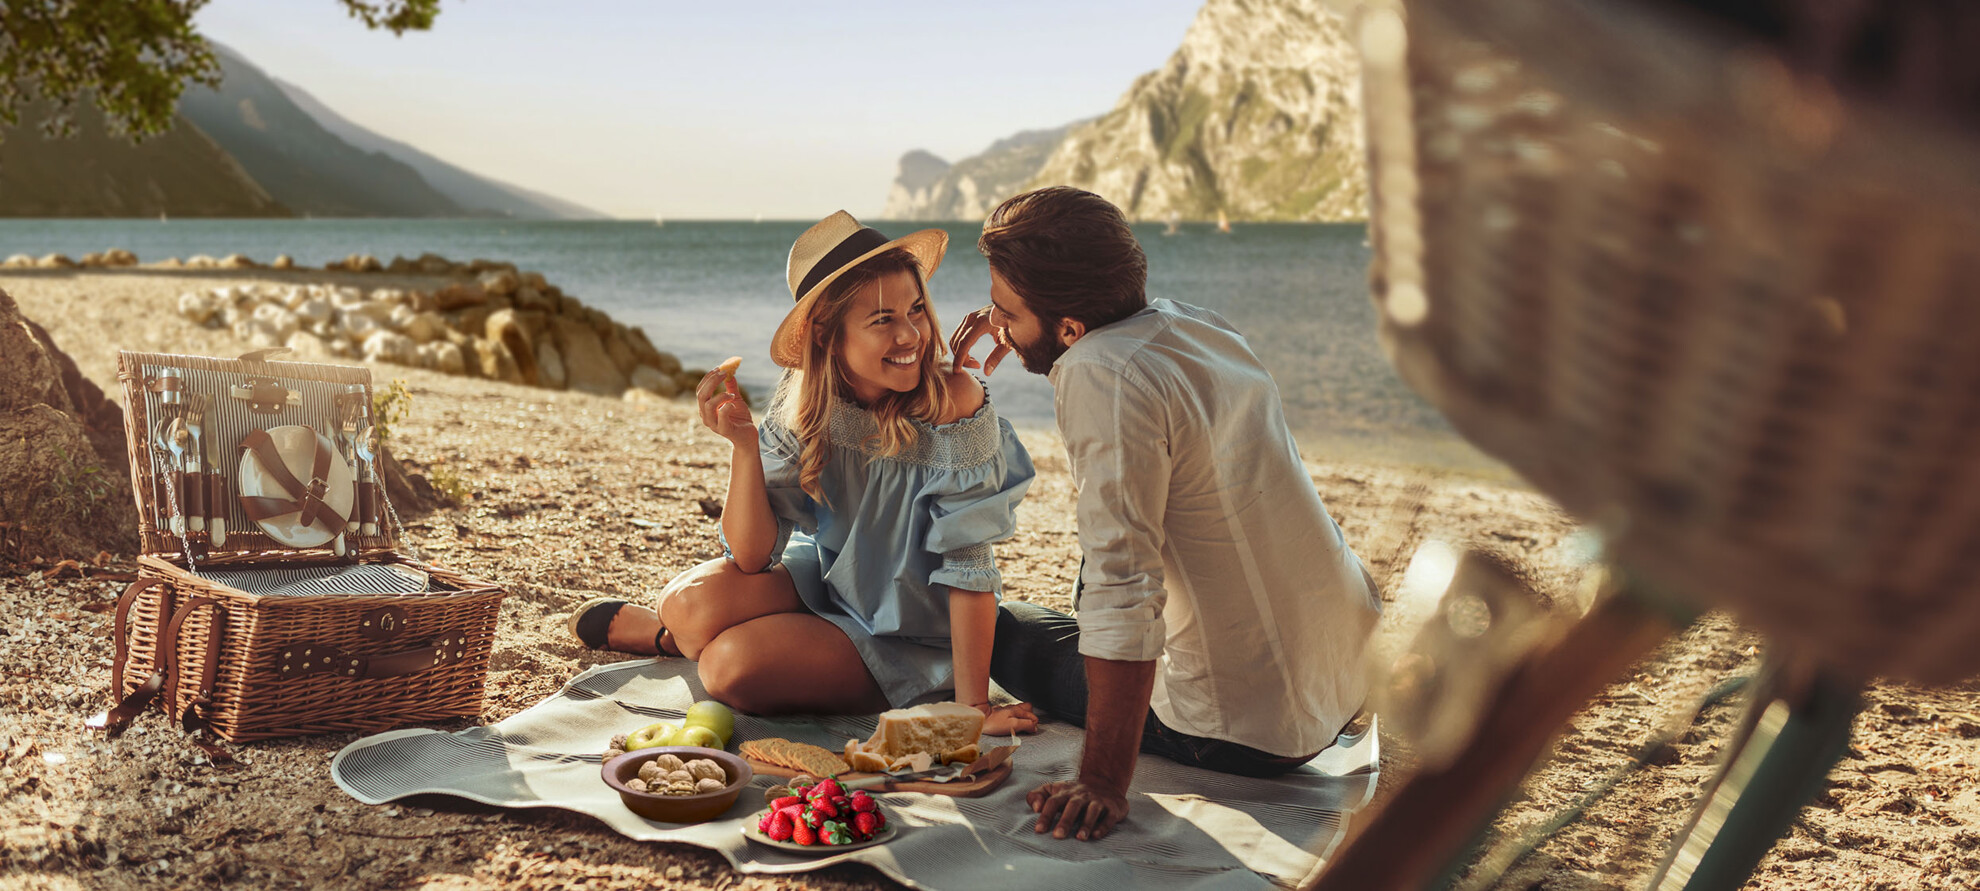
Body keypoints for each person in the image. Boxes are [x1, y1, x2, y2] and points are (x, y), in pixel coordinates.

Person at [949, 186, 1382, 840]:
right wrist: (1022, 317)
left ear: (1069, 326)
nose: (997, 327)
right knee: (1076, 592)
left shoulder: (1100, 373)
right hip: (1347, 671)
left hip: (1242, 730)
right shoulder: (1192, 323)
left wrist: (1100, 779)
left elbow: (1126, 588)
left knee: (1003, 631)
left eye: (1007, 313)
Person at [570, 210, 1040, 736]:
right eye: (882, 320)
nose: (911, 336)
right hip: (833, 582)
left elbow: (970, 563)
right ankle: (669, 635)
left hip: (914, 634)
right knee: (683, 604)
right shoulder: (806, 406)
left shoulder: (955, 402)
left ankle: (687, 642)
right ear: (825, 334)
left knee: (728, 668)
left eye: (916, 311)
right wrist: (744, 447)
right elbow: (751, 556)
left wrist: (971, 710)